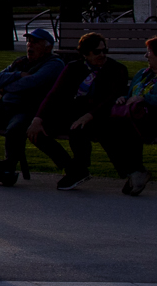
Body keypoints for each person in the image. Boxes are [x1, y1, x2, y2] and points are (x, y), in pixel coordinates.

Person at [0, 26, 65, 186]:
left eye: (35, 42)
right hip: (3, 108)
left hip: (27, 109)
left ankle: (6, 169)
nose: (30, 45)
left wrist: (6, 87)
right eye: (29, 41)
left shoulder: (54, 64)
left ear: (48, 47)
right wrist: (17, 75)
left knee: (15, 129)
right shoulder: (20, 63)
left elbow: (32, 82)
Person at [32, 32, 129, 190]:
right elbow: (54, 95)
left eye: (105, 50)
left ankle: (79, 169)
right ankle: (73, 169)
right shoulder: (74, 68)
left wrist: (88, 116)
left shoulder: (116, 69)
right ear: (85, 54)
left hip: (100, 115)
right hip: (73, 112)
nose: (102, 54)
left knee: (78, 129)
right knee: (37, 132)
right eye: (97, 52)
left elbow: (112, 98)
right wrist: (38, 118)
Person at [103, 39, 155, 196]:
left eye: (150, 52)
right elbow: (131, 93)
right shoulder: (142, 73)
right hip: (133, 117)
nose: (146, 56)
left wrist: (145, 99)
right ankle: (135, 172)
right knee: (103, 129)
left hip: (152, 119)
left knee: (120, 129)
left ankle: (135, 172)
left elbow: (145, 98)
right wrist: (123, 98)